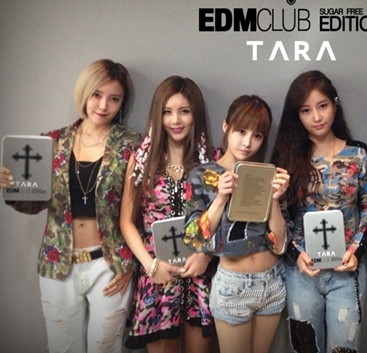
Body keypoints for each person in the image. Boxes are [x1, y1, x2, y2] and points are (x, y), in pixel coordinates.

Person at [0, 59, 140, 353]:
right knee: (63, 347)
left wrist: (130, 261)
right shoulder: (53, 142)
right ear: (84, 92)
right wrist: (10, 186)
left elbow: (139, 209)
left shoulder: (131, 145)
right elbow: (32, 205)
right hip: (58, 262)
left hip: (110, 264)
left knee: (106, 347)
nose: (103, 105)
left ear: (122, 103)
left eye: (114, 99)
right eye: (96, 95)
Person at [271, 70, 367, 353]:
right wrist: (295, 253)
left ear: (335, 104)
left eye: (322, 106)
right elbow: (279, 213)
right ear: (297, 115)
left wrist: (356, 251)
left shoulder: (358, 153)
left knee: (345, 348)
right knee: (305, 347)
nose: (316, 117)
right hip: (303, 271)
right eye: (306, 110)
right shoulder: (288, 157)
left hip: (346, 270)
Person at [183, 94, 291, 353]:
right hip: (234, 285)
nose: (247, 142)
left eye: (257, 135)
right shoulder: (202, 175)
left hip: (273, 281)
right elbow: (194, 239)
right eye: (241, 131)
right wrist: (220, 198)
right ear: (226, 126)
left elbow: (280, 244)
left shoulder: (267, 175)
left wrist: (275, 200)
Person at [120, 76, 217, 352]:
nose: (176, 120)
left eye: (184, 111)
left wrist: (206, 255)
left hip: (200, 276)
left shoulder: (211, 161)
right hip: (158, 275)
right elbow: (126, 222)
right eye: (167, 112)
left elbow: (221, 218)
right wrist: (151, 266)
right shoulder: (142, 162)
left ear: (195, 114)